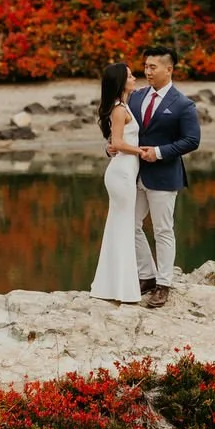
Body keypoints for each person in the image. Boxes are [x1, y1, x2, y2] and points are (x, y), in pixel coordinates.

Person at [127, 44, 201, 309]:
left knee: (163, 230)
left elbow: (192, 140)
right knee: (130, 224)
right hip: (134, 174)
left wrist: (158, 152)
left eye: (152, 67)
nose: (147, 71)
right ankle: (146, 275)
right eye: (145, 66)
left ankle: (164, 284)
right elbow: (126, 130)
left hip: (165, 175)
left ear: (169, 70)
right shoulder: (135, 97)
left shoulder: (183, 104)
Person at [90, 62, 144, 303]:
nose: (134, 78)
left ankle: (112, 286)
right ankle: (122, 288)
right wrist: (141, 151)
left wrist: (116, 147)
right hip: (121, 173)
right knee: (122, 227)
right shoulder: (120, 109)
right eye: (131, 75)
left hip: (124, 171)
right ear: (121, 82)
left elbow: (114, 142)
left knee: (119, 227)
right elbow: (119, 143)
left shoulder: (122, 106)